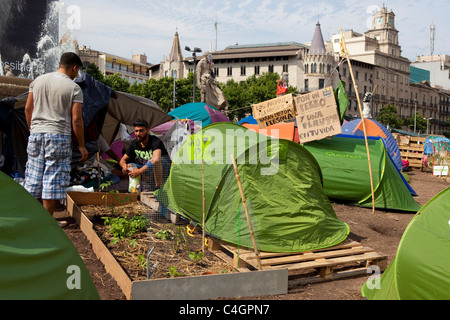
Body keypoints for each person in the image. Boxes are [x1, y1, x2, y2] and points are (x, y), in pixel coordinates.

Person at [24, 52, 87, 226]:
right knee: (52, 179)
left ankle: (30, 220)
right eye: (77, 70)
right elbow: (76, 120)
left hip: (36, 134)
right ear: (74, 67)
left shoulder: (38, 81)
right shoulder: (73, 88)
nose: (77, 74)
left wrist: (33, 129)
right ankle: (47, 225)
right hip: (58, 136)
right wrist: (81, 146)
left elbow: (28, 109)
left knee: (33, 177)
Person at [119, 120, 171, 191]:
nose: (138, 133)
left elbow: (156, 159)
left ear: (147, 130)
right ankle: (135, 190)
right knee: (130, 166)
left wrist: (140, 171)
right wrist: (124, 166)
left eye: (141, 131)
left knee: (157, 160)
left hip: (164, 170)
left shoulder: (155, 141)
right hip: (148, 171)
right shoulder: (134, 144)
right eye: (136, 131)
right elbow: (122, 160)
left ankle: (158, 189)